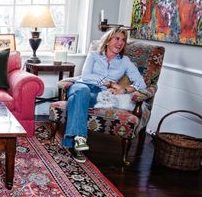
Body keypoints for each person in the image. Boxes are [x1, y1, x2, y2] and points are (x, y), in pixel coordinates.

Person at [62, 27, 147, 163]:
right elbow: (86, 75)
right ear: (108, 41)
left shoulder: (124, 61)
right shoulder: (94, 55)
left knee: (75, 100)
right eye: (117, 39)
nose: (120, 43)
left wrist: (124, 90)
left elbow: (141, 83)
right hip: (81, 86)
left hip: (98, 94)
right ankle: (80, 140)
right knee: (81, 92)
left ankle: (75, 140)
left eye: (123, 40)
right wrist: (107, 82)